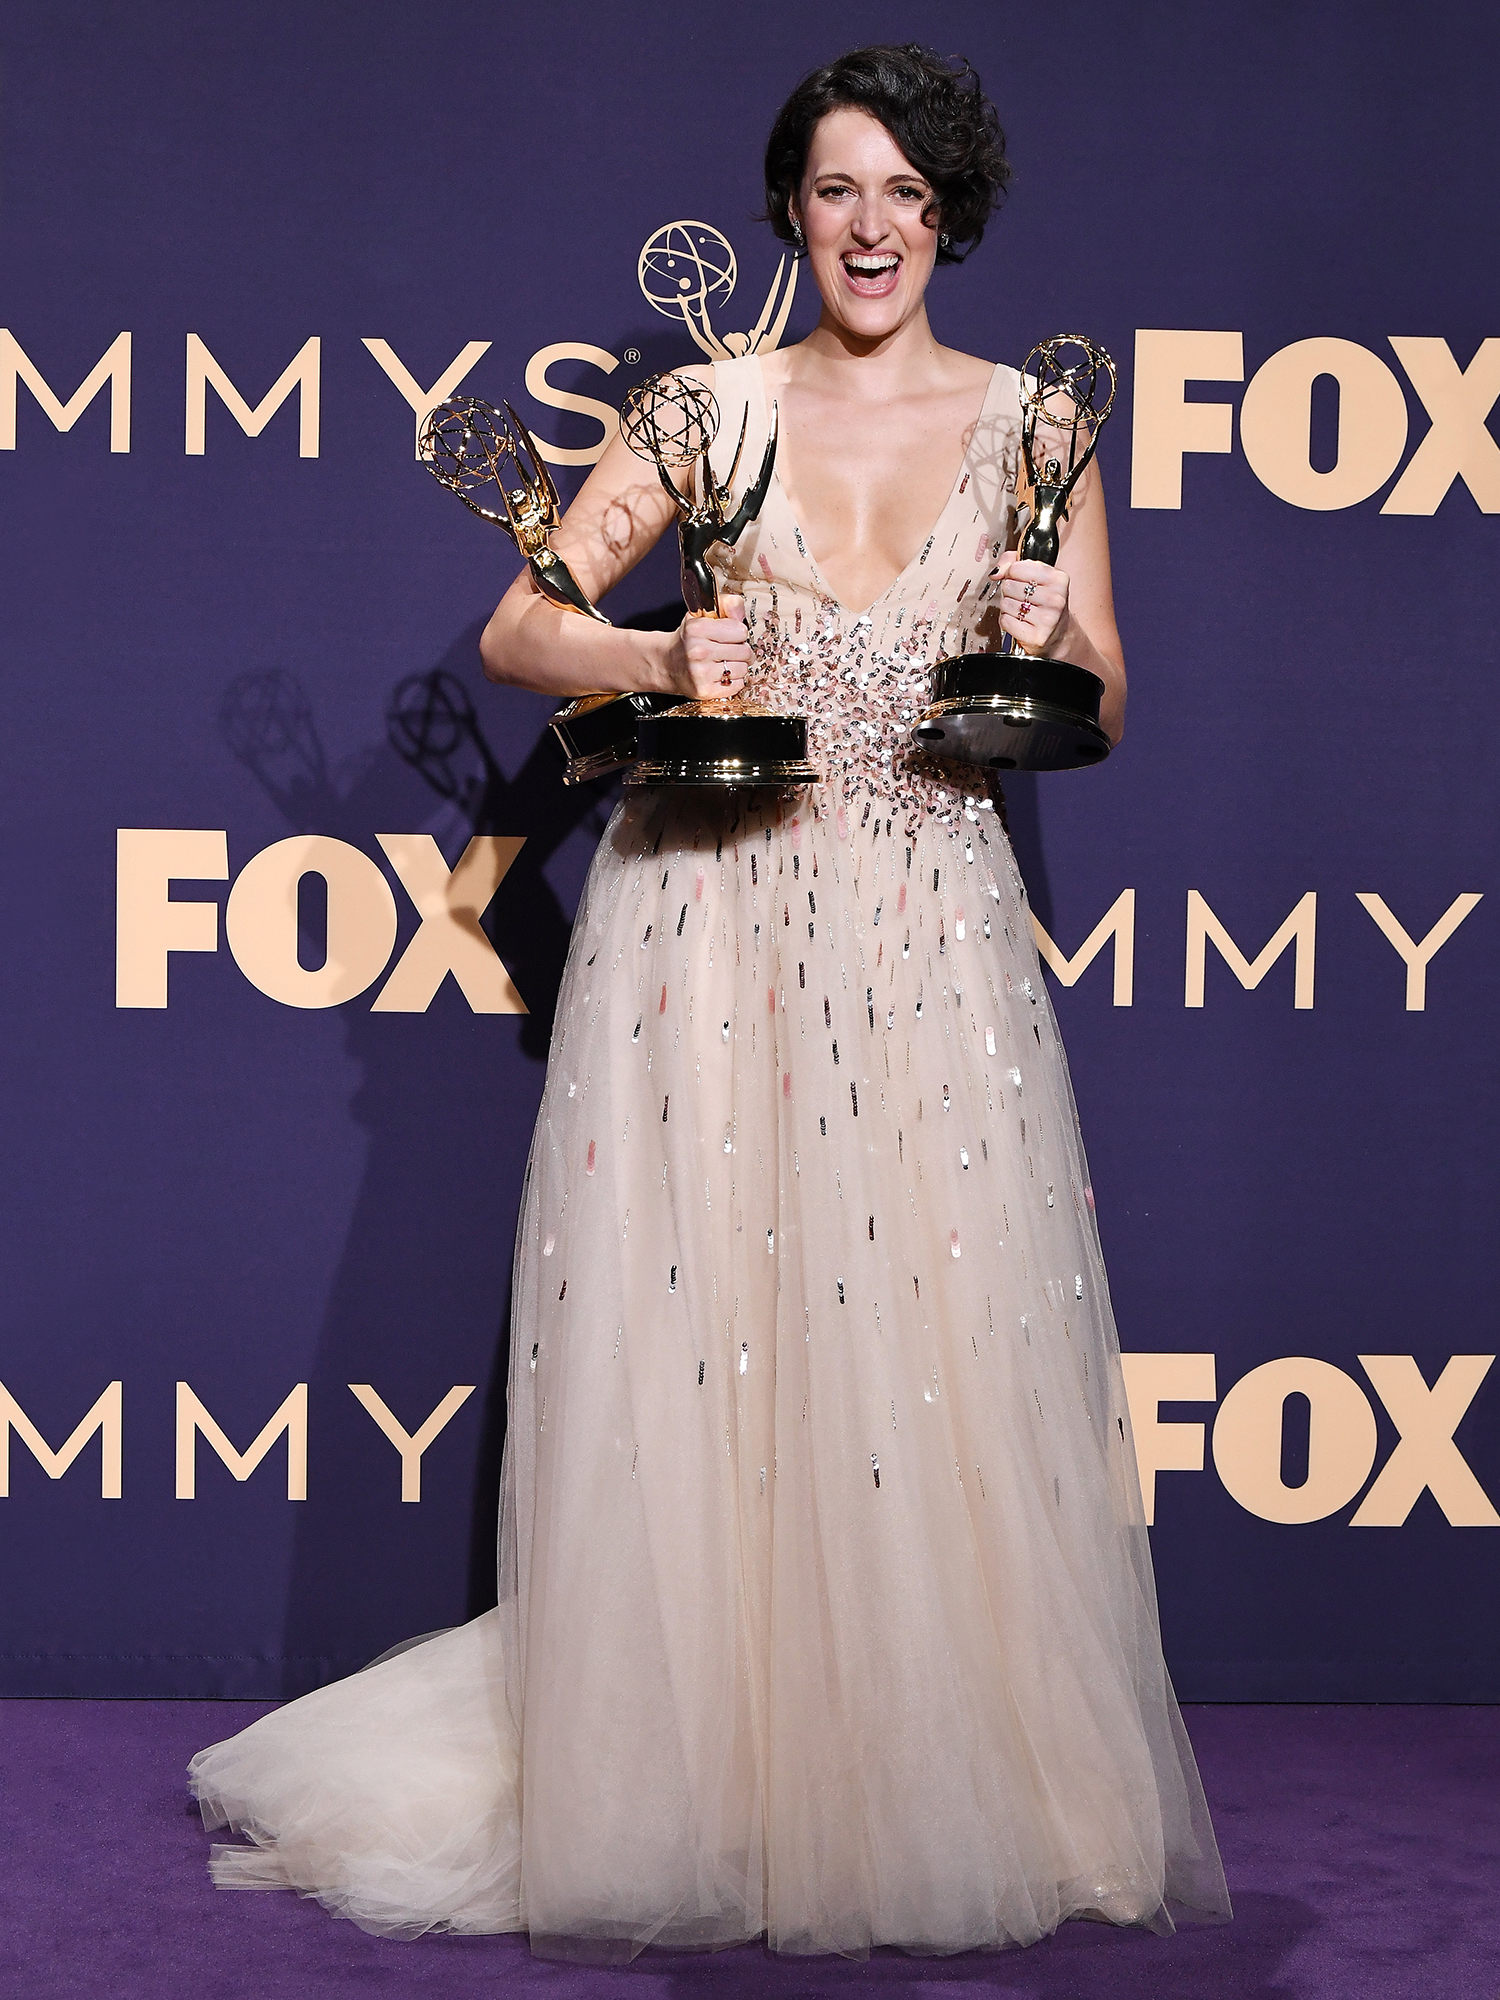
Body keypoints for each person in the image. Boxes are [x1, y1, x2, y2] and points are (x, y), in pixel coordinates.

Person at [189, 43, 1231, 1958]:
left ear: (953, 216)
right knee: (714, 1338)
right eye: (839, 189)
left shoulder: (1035, 430)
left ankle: (933, 1777)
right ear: (790, 210)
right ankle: (697, 1772)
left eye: (909, 193)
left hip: (929, 926)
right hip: (706, 918)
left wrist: (1038, 635)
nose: (873, 227)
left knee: (930, 1334)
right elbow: (522, 628)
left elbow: (1103, 684)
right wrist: (659, 643)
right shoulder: (701, 409)